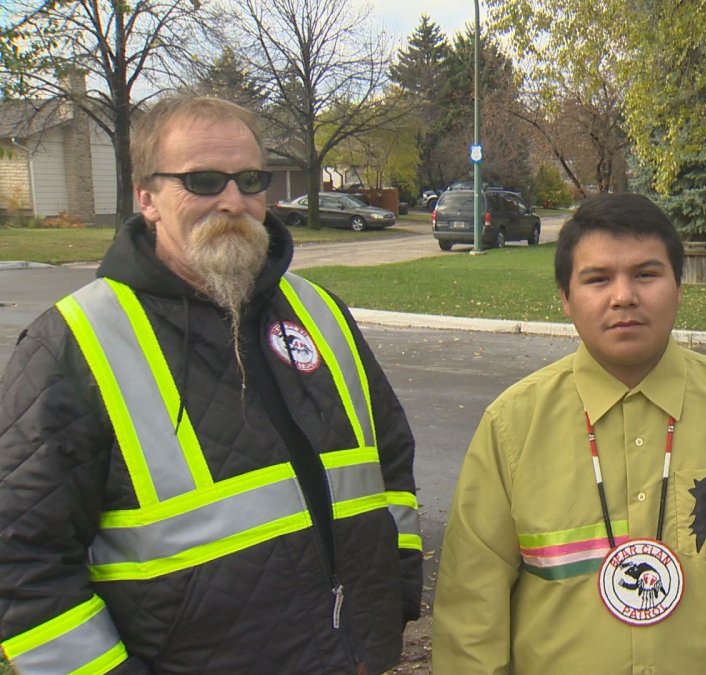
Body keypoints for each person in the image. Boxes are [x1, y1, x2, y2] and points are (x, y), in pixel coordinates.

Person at [0, 96, 422, 674]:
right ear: (146, 196)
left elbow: (389, 462)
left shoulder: (317, 312)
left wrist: (391, 590)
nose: (233, 200)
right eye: (202, 180)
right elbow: (21, 563)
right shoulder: (75, 342)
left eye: (250, 179)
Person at [431, 192, 706, 673]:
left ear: (679, 287)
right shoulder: (512, 426)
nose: (623, 296)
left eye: (646, 274)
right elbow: (470, 611)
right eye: (597, 279)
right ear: (565, 298)